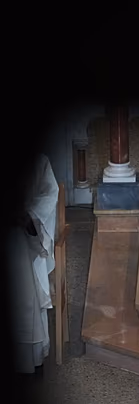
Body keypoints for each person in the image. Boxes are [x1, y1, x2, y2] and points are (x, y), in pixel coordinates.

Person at [8, 153, 59, 374]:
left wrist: (29, 217)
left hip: (21, 237)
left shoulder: (37, 159)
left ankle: (29, 361)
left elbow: (50, 192)